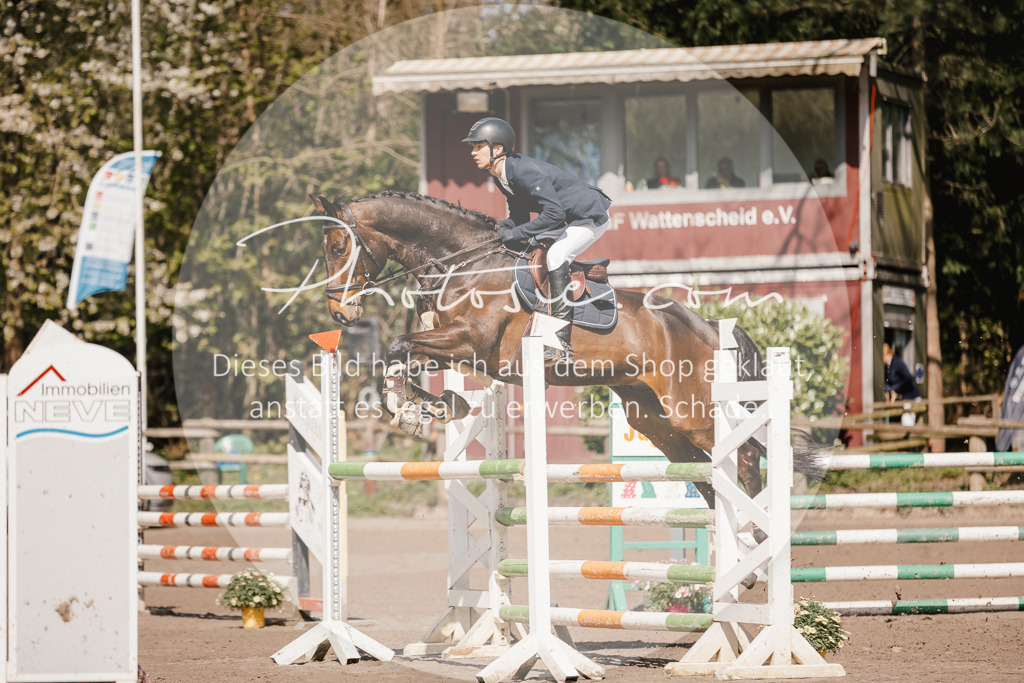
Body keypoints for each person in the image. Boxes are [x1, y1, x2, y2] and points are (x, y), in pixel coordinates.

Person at [463, 117, 611, 366]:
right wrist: (491, 233)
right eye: (473, 147)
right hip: (563, 220)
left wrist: (516, 233)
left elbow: (554, 214)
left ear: (497, 149)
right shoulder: (502, 175)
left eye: (478, 146)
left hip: (588, 217)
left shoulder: (523, 171)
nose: (473, 152)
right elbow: (519, 218)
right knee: (528, 251)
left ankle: (560, 342)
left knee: (556, 257)